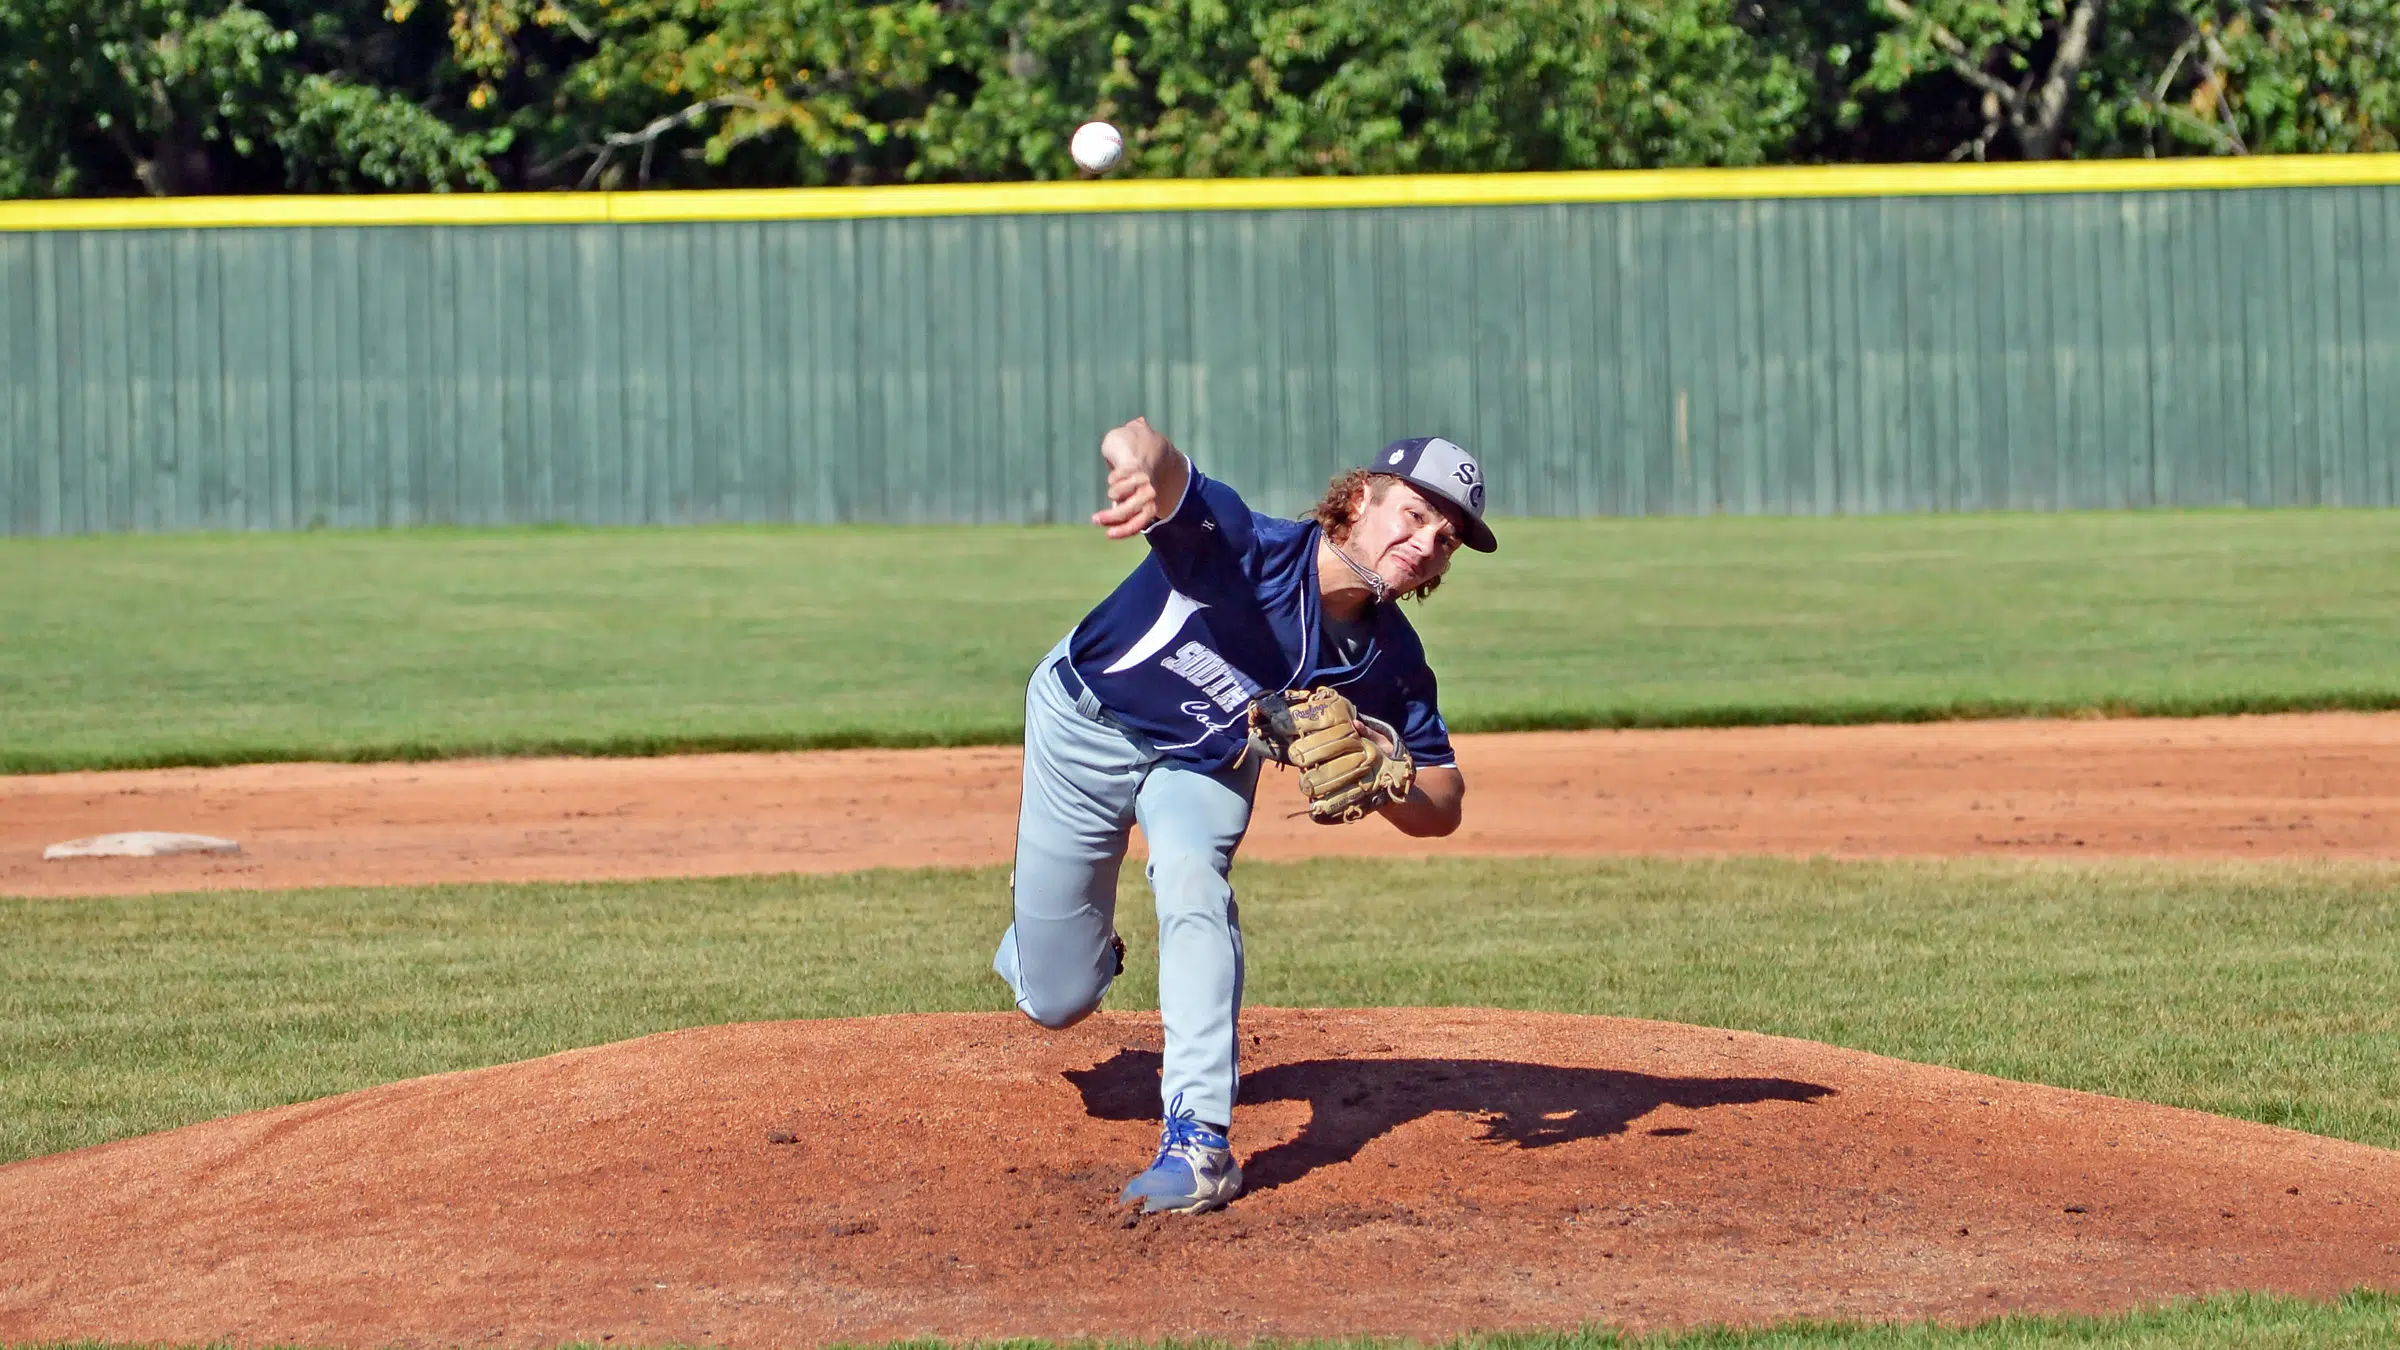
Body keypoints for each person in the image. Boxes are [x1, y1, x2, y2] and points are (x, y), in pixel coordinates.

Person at [990, 416, 1497, 1214]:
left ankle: (1198, 1146)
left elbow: (1447, 800)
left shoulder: (1388, 663)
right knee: (1057, 1000)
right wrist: (1133, 465)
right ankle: (1064, 944)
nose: (1429, 539)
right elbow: (1150, 450)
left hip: (1202, 766)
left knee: (1195, 880)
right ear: (1359, 499)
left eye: (1447, 536)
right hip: (1084, 724)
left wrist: (1391, 776)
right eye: (1415, 511)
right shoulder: (1242, 547)